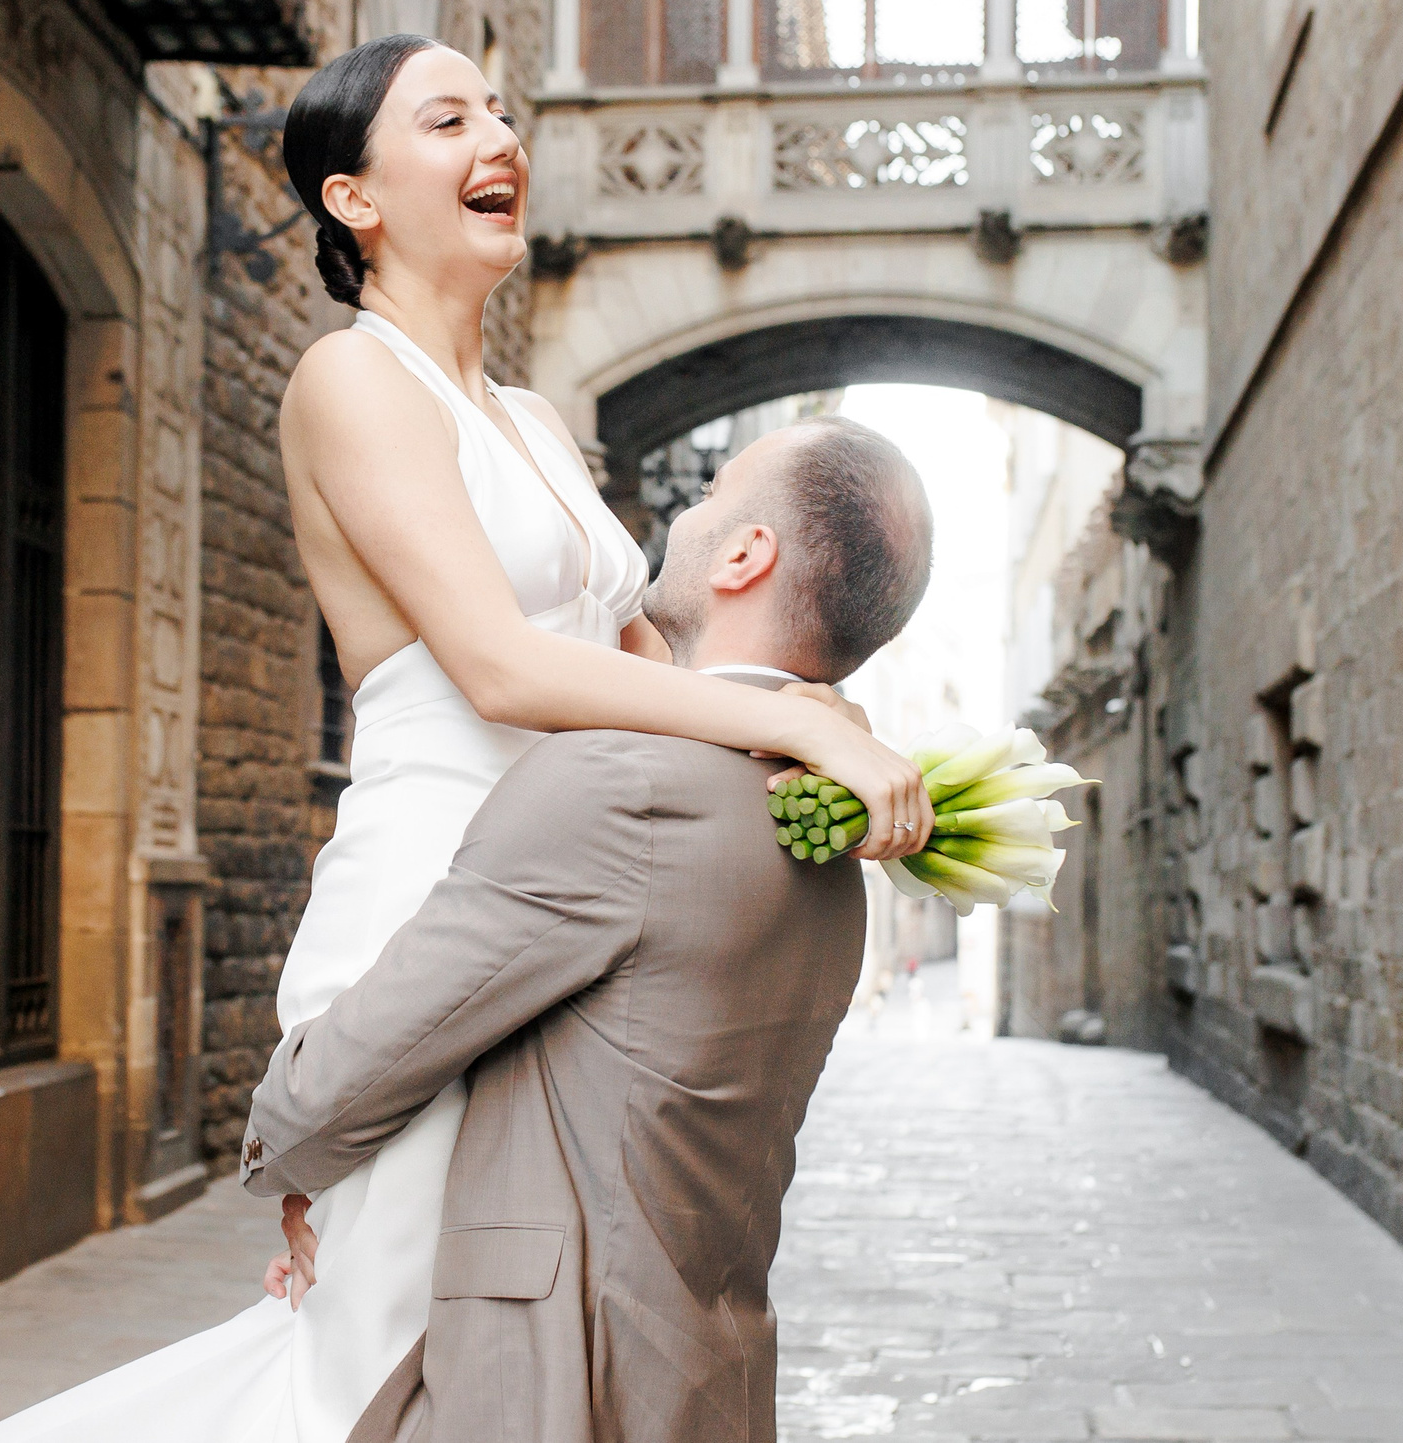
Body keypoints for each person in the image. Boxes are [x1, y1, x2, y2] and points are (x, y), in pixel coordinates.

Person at [0, 35, 931, 1442]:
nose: (499, 134)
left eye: (501, 107)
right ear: (354, 198)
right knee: (380, 1356)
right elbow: (495, 665)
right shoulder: (349, 384)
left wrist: (804, 710)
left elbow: (632, 661)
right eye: (449, 115)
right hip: (433, 885)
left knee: (480, 1348)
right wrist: (783, 719)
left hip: (573, 899)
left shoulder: (536, 419)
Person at [242, 415, 934, 1441]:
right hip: (709, 1377)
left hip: (551, 1384)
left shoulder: (617, 784)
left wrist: (279, 1153)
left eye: (709, 501)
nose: (682, 518)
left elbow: (355, 1066)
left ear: (747, 555)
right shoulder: (829, 852)